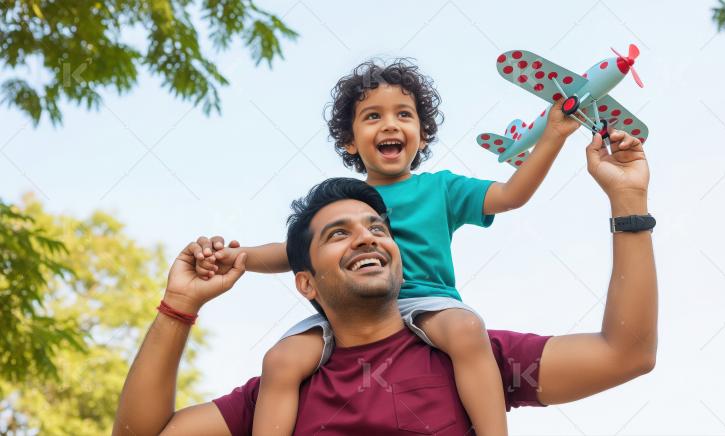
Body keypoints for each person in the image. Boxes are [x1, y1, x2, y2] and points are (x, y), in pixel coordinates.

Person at [113, 129, 657, 435]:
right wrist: (179, 306)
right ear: (306, 284)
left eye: (377, 227)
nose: (368, 238)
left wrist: (628, 202)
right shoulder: (284, 384)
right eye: (339, 234)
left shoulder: (475, 356)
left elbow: (627, 353)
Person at [193, 59, 586, 435]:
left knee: (468, 329)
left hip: (427, 304)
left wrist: (551, 136)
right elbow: (289, 253)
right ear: (349, 141)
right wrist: (238, 260)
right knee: (280, 360)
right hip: (347, 316)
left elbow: (510, 195)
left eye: (403, 114)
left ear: (422, 134)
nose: (389, 124)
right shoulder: (345, 205)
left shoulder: (441, 188)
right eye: (373, 116)